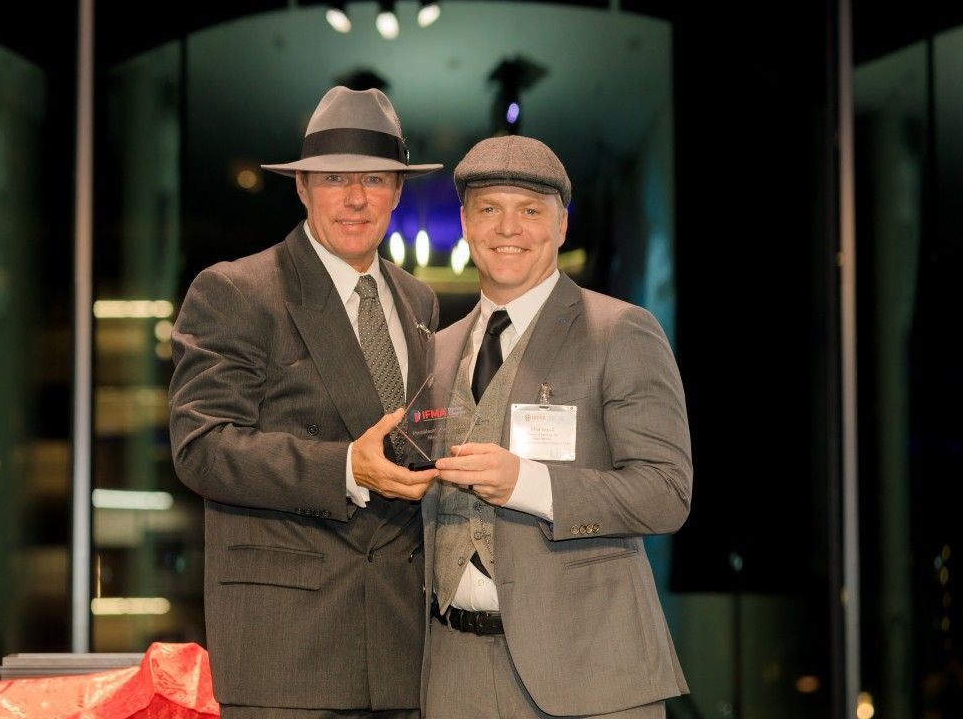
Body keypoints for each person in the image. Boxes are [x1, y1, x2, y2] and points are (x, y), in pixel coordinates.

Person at [169, 86, 443, 719]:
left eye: (374, 178)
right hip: (289, 652)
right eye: (334, 178)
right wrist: (345, 468)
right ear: (302, 188)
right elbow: (201, 447)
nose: (355, 197)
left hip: (405, 651)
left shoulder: (419, 301)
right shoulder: (237, 290)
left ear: (397, 191)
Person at [422, 135, 692, 719]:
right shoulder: (435, 352)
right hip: (451, 674)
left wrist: (528, 484)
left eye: (530, 210)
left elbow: (667, 493)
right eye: (489, 209)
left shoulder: (619, 330)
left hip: (589, 669)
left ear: (562, 225)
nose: (508, 228)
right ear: (466, 224)